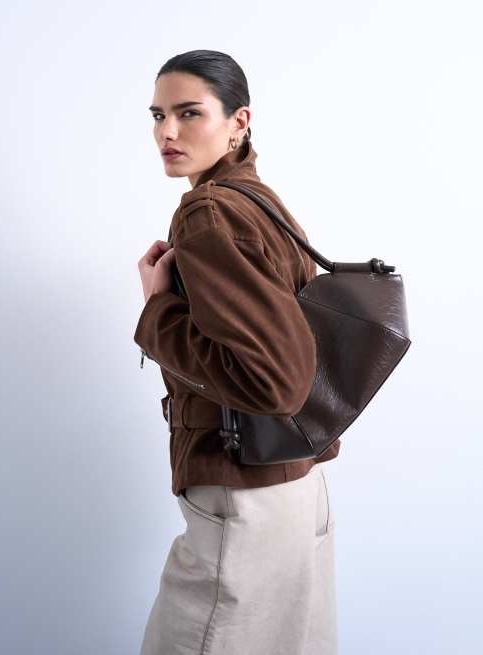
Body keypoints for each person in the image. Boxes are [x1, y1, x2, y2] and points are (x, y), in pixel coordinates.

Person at [134, 49, 340, 655]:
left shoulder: (208, 211)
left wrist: (157, 309)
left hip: (242, 497)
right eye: (158, 115)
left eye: (189, 113)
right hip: (298, 486)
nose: (168, 133)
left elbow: (275, 381)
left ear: (238, 122)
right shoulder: (259, 199)